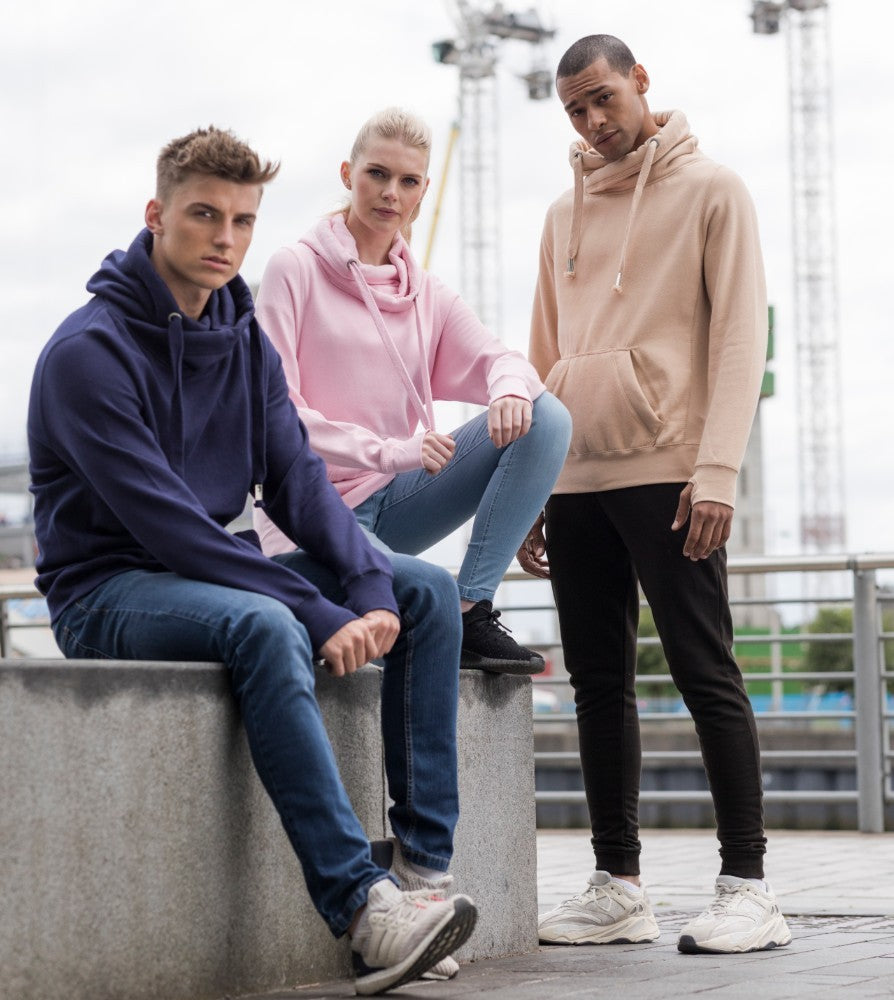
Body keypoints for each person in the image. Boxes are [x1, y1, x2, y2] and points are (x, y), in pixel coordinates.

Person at [27, 126, 478, 995]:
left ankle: (422, 876)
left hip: (203, 572)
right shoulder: (88, 355)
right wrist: (320, 612)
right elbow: (169, 528)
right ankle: (364, 910)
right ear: (156, 215)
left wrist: (370, 586)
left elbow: (298, 483)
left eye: (242, 221)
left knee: (424, 589)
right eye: (204, 215)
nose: (224, 238)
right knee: (267, 624)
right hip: (107, 590)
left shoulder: (243, 339)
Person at [522, 35, 792, 955]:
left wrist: (717, 471)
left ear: (641, 82)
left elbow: (740, 339)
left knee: (704, 671)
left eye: (603, 98)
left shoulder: (714, 190)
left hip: (673, 471)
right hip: (576, 474)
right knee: (598, 684)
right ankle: (618, 886)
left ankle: (749, 887)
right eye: (575, 110)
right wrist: (530, 484)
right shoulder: (560, 214)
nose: (593, 121)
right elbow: (542, 349)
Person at [253, 108, 571, 676]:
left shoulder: (426, 295)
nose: (390, 193)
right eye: (377, 174)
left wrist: (507, 390)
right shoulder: (293, 269)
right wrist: (390, 452)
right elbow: (277, 415)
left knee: (545, 416)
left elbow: (504, 361)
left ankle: (473, 609)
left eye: (407, 181)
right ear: (348, 174)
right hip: (311, 509)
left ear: (423, 192)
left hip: (395, 500)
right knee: (416, 603)